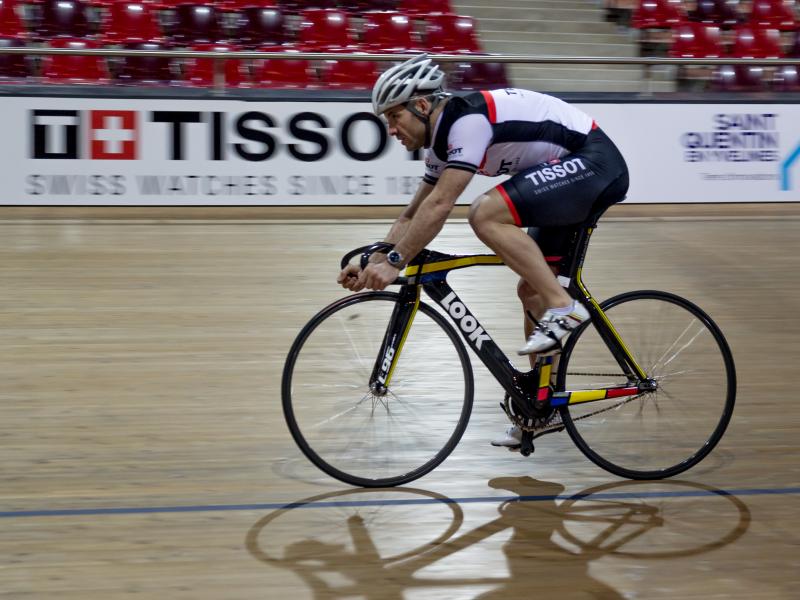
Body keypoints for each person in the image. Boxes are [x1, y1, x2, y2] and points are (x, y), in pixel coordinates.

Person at [337, 53, 629, 448]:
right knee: (530, 289)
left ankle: (564, 306)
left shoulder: (465, 123)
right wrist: (376, 257)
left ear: (421, 106)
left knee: (485, 213)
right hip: (568, 171)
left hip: (593, 163)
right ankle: (543, 406)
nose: (390, 129)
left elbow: (441, 206)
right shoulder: (440, 145)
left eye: (393, 117)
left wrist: (396, 262)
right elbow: (413, 213)